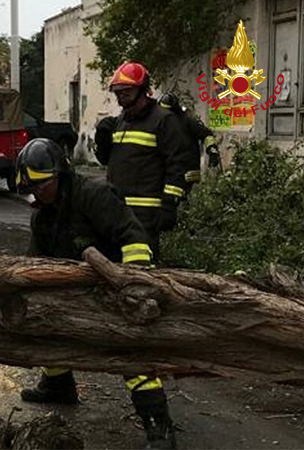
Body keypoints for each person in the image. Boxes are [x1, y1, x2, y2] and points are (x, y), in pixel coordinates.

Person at [16, 138, 177, 450]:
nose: (37, 193)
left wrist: (133, 287)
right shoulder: (43, 215)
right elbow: (34, 263)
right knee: (43, 326)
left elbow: (133, 237)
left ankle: (160, 427)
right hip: (77, 291)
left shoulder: (93, 196)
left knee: (126, 351)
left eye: (42, 185)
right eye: (32, 188)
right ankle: (58, 385)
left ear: (59, 175)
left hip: (117, 288)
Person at [93, 62, 197, 258]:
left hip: (146, 214)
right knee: (114, 266)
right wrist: (102, 140)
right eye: (118, 94)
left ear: (143, 91)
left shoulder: (163, 120)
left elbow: (177, 165)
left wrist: (169, 204)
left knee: (141, 269)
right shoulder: (121, 121)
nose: (121, 99)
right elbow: (107, 161)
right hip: (117, 210)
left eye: (126, 93)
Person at [157, 93, 221, 179]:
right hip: (168, 173)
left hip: (187, 173)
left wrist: (212, 151)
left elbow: (206, 134)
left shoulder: (187, 121)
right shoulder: (159, 124)